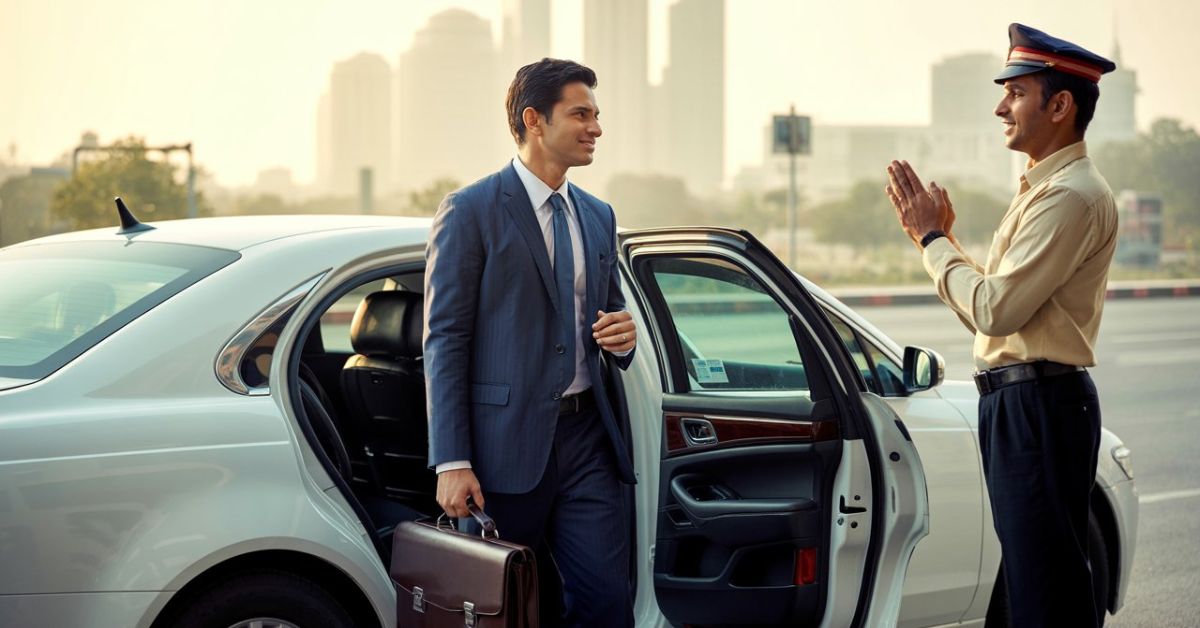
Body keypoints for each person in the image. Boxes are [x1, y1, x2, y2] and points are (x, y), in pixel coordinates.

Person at [885, 23, 1118, 627]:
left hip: (1039, 403)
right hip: (1022, 403)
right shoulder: (1044, 187)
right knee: (1033, 583)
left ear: (1060, 105)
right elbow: (992, 314)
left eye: (1015, 92)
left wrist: (935, 239)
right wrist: (939, 242)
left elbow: (994, 310)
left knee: (1046, 593)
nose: (1000, 107)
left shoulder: (1068, 196)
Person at [423, 58, 637, 627]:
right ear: (534, 120)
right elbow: (445, 339)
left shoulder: (598, 215)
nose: (596, 127)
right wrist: (452, 459)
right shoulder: (470, 211)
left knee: (606, 601)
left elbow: (609, 315)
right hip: (500, 449)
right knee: (501, 609)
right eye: (581, 114)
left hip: (588, 438)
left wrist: (621, 338)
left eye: (597, 115)